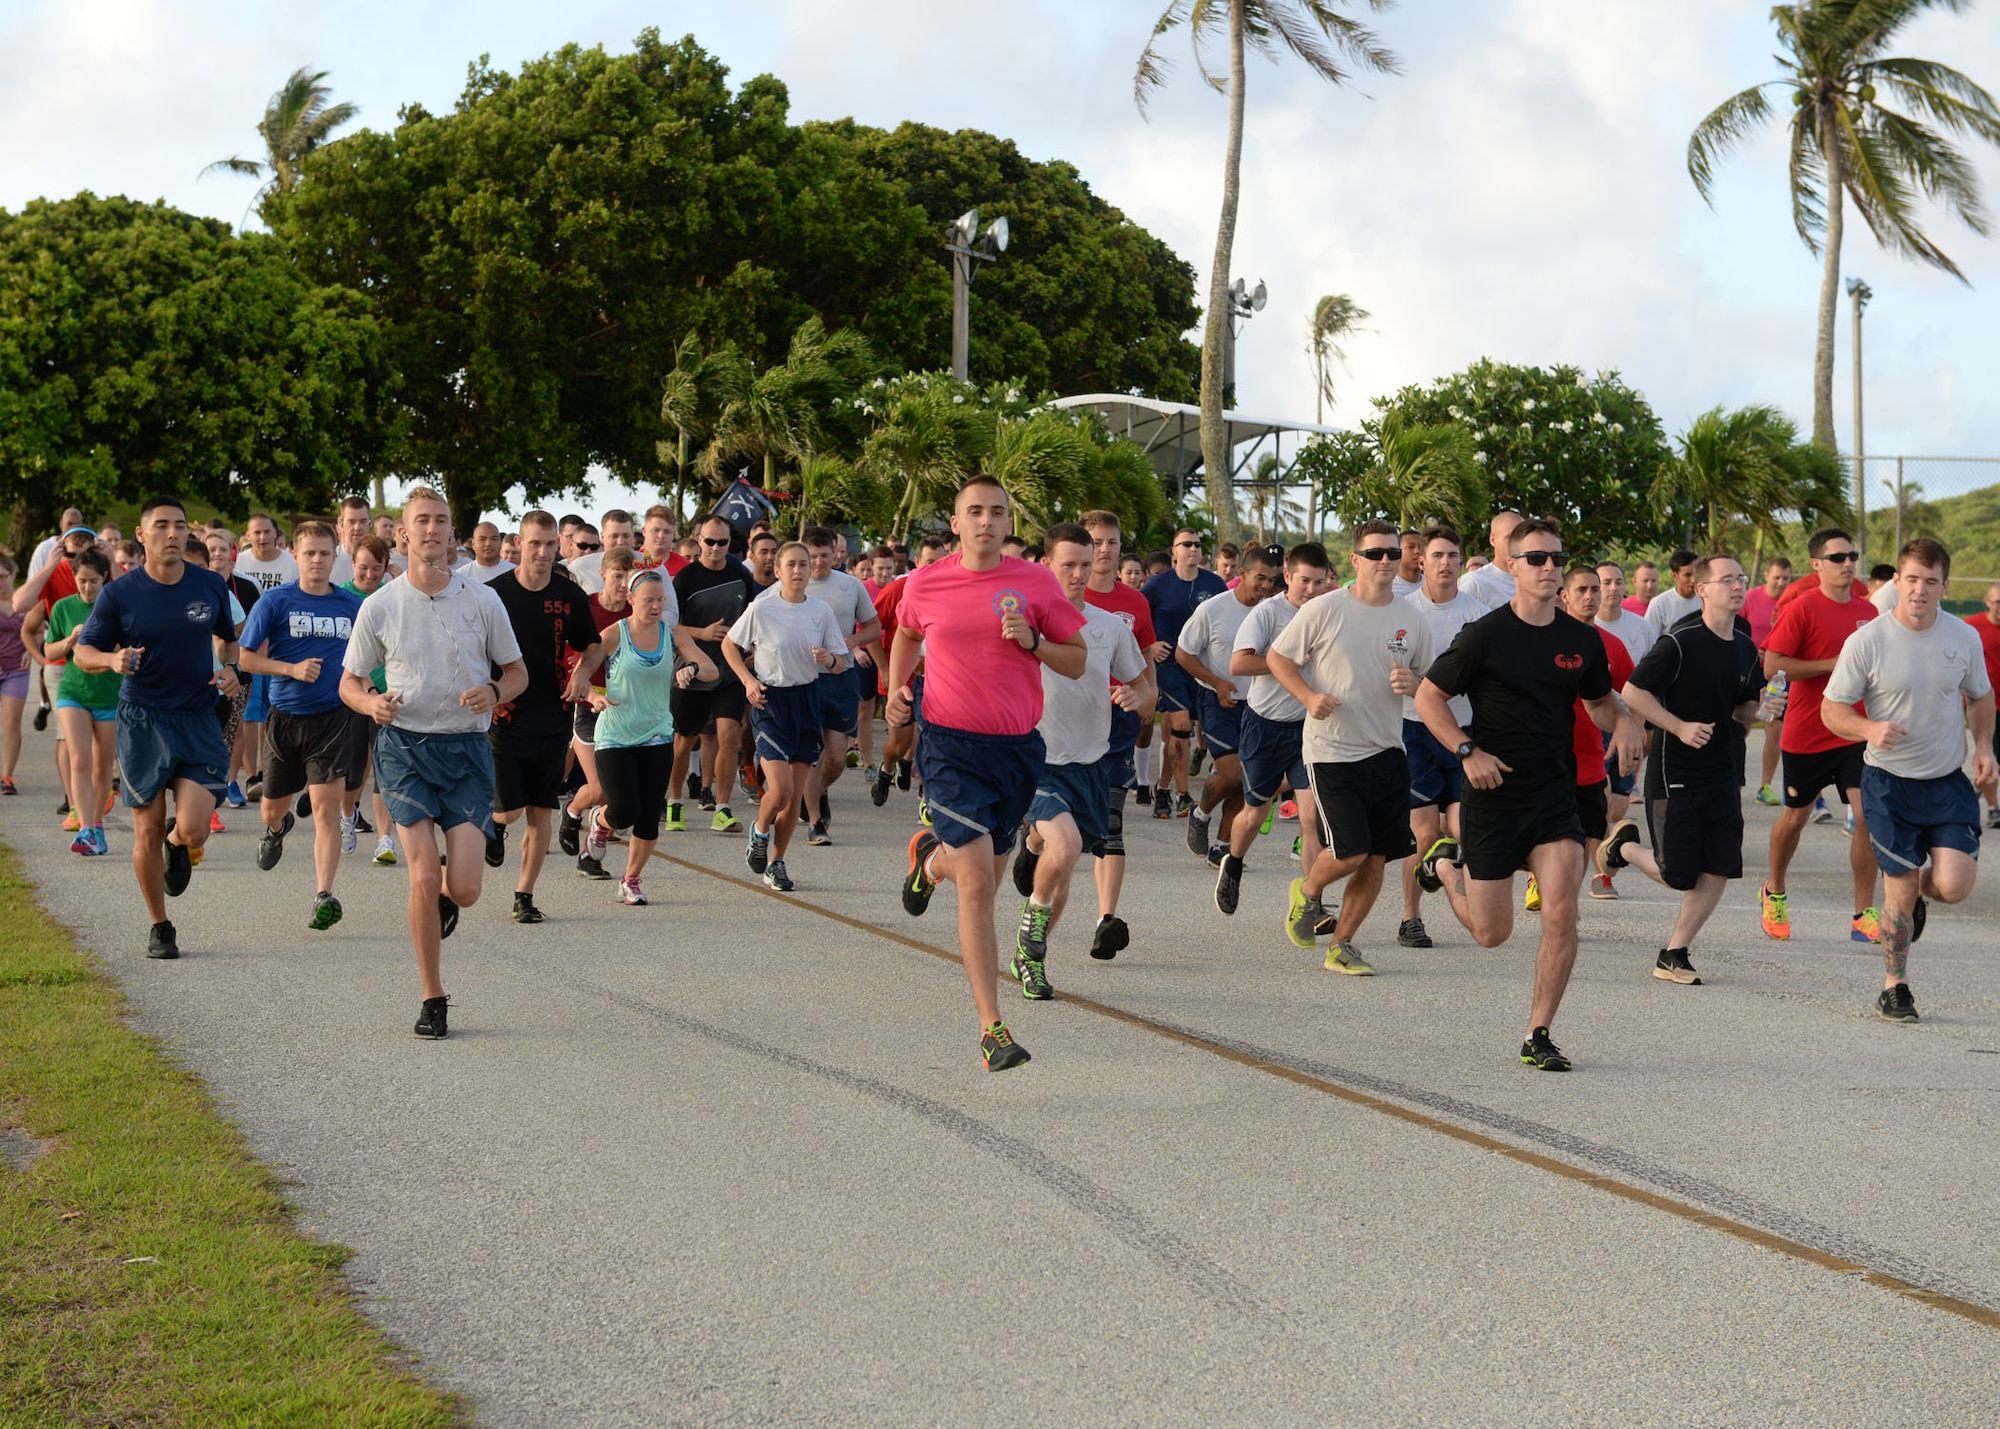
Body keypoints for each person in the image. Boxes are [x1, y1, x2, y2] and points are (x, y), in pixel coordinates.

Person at [1413, 518, 1644, 1072]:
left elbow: (1599, 704)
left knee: (1562, 913)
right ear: (1512, 566)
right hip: (1492, 794)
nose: (1549, 568)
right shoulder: (1484, 635)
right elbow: (1428, 698)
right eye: (1537, 559)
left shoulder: (1580, 639)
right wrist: (1468, 753)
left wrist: (1628, 721)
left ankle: (1538, 1033)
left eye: (1557, 560)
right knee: (1493, 934)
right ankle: (1446, 868)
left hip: (1553, 795)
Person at [888, 476, 1088, 1072]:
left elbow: (1076, 662)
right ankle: (991, 1028)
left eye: (996, 513)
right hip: (950, 746)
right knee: (978, 886)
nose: (985, 521)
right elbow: (904, 632)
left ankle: (930, 861)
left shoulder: (1035, 583)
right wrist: (896, 689)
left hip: (1017, 751)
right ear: (956, 523)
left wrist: (1033, 643)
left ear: (1007, 525)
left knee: (984, 877)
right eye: (973, 512)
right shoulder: (925, 582)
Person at [339, 488, 527, 1040]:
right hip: (404, 749)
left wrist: (494, 692)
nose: (431, 530)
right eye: (420, 521)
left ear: (452, 532)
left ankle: (446, 897)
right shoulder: (381, 605)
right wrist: (370, 702)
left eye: (441, 521)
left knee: (464, 888)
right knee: (422, 873)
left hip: (466, 750)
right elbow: (349, 681)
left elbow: (517, 673)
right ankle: (433, 996)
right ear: (404, 532)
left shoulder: (482, 599)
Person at [1817, 539, 1995, 1020]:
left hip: (1945, 782)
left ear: (1945, 586)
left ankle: (1916, 896)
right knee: (1898, 883)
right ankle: (1895, 986)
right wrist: (1868, 727)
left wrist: (1983, 746)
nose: (1919, 590)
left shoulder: (1962, 637)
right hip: (1889, 784)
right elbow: (1832, 709)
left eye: (1930, 582)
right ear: (1897, 580)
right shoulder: (1867, 641)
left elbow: (1980, 696)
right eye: (1911, 579)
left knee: (1955, 886)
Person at [73, 497, 242, 960]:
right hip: (143, 721)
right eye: (162, 526)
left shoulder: (210, 585)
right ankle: (160, 925)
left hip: (198, 717)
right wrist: (112, 658)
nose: (173, 533)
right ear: (142, 536)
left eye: (181, 526)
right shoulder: (119, 593)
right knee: (145, 828)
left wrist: (231, 670)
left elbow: (230, 642)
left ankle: (178, 843)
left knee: (195, 830)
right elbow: (83, 653)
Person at [1268, 521, 1433, 972]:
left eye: (1393, 554)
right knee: (1351, 850)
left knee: (1376, 858)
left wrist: (1414, 683)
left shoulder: (1411, 618)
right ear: (1356, 560)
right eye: (1376, 553)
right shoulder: (1324, 608)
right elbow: (1277, 658)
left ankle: (1343, 944)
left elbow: (1428, 683)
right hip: (1332, 751)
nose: (1386, 561)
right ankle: (1306, 891)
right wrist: (1307, 697)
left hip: (1387, 751)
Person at [1596, 554, 1766, 985]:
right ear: (1702, 589)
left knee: (1720, 865)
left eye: (1740, 578)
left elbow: (1744, 707)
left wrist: (1763, 707)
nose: (1736, 585)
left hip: (1725, 770)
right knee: (1677, 874)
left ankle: (1675, 952)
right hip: (1677, 772)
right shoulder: (1680, 640)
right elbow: (1634, 692)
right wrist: (1678, 726)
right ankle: (1624, 848)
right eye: (1725, 579)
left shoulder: (1746, 647)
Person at [1006, 525, 1151, 997]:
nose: (1078, 573)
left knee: (1062, 862)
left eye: (1085, 565)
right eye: (1067, 564)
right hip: (1035, 757)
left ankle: (1029, 955)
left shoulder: (1109, 625)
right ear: (1045, 564)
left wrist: (1136, 693)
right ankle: (1033, 914)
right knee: (1066, 848)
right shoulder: (1023, 621)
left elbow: (1148, 686)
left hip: (1091, 762)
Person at [237, 522, 368, 930]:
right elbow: (245, 659)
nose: (316, 560)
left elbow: (364, 660)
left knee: (327, 810)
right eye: (309, 553)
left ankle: (323, 894)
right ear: (295, 555)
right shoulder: (276, 601)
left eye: (324, 553)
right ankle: (277, 828)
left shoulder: (351, 606)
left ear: (335, 557)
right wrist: (289, 668)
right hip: (284, 719)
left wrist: (370, 689)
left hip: (333, 719)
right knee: (271, 807)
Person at [1758, 528, 1882, 944]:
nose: (1848, 563)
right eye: (1837, 558)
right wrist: (1835, 664)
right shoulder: (1803, 608)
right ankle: (1774, 890)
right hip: (1809, 732)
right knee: (1796, 818)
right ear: (1817, 565)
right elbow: (1773, 664)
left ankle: (1864, 914)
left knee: (1867, 817)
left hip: (1855, 730)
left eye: (1852, 555)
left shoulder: (1869, 611)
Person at [484, 511, 602, 923]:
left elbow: (593, 645)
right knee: (509, 811)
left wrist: (584, 673)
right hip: (505, 716)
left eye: (550, 544)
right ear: (518, 543)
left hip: (554, 716)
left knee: (539, 812)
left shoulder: (569, 595)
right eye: (535, 543)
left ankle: (524, 895)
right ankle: (493, 825)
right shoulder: (493, 593)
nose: (543, 552)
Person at [1213, 543, 1334, 916]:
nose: (1311, 590)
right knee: (1254, 813)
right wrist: (1286, 662)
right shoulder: (1268, 613)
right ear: (1287, 576)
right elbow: (1238, 664)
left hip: (1308, 729)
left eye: (1318, 582)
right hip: (1264, 725)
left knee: (1310, 816)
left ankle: (1311, 902)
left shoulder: (1331, 612)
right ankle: (1232, 862)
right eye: (1303, 581)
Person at [724, 543, 850, 892]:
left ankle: (776, 863)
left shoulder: (821, 611)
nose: (798, 571)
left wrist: (830, 660)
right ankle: (760, 830)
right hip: (771, 701)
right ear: (777, 570)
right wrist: (749, 681)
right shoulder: (762, 608)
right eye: (790, 565)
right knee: (779, 790)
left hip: (807, 699)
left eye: (803, 565)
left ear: (811, 571)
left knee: (794, 798)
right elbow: (729, 646)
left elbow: (842, 661)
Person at [1071, 510, 1164, 957]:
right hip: (1064, 729)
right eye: (1096, 542)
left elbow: (1146, 668)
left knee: (1110, 821)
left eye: (1111, 541)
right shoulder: (1060, 594)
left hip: (1116, 726)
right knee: (1062, 825)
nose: (1104, 550)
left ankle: (1106, 918)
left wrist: (1145, 701)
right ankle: (1032, 847)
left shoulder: (1135, 602)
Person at [575, 570, 699, 905]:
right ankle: (601, 822)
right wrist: (593, 698)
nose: (656, 606)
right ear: (631, 600)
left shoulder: (671, 634)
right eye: (649, 600)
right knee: (624, 811)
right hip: (615, 733)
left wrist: (691, 668)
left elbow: (710, 667)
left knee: (647, 815)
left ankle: (631, 880)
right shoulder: (614, 634)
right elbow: (580, 674)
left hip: (658, 733)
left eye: (661, 600)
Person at [755, 527, 879, 846]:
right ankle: (814, 821)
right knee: (810, 756)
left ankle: (815, 793)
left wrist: (851, 640)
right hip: (800, 682)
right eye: (812, 557)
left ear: (835, 554)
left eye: (825, 555)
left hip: (840, 676)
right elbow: (751, 635)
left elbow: (874, 626)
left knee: (836, 758)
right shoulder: (775, 593)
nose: (818, 562)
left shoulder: (850, 586)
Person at [1397, 528, 1489, 947]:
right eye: (1437, 555)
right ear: (1422, 561)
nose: (1446, 563)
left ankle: (1473, 908)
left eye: (1453, 555)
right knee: (1423, 833)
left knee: (1462, 826)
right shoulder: (1403, 611)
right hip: (1414, 729)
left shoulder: (1479, 614)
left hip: (1463, 731)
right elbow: (1391, 672)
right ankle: (1410, 917)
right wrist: (1412, 683)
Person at [1177, 543, 1280, 867]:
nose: (1265, 586)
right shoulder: (1213, 609)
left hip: (1260, 704)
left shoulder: (1276, 611)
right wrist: (1217, 681)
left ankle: (1222, 845)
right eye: (1260, 578)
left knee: (1247, 777)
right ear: (1243, 574)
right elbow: (1184, 654)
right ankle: (1201, 812)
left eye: (1272, 580)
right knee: (1231, 770)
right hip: (1216, 698)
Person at [671, 514, 757, 833]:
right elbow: (670, 624)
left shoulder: (741, 575)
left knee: (729, 736)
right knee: (684, 741)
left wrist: (751, 650)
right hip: (691, 669)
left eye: (723, 542)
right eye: (709, 542)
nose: (716, 548)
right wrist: (702, 634)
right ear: (698, 541)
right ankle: (675, 802)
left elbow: (753, 617)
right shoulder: (685, 578)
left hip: (729, 671)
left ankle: (722, 808)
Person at [33, 550, 120, 847]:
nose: (87, 587)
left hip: (108, 693)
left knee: (102, 766)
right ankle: (85, 827)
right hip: (73, 691)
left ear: (105, 578)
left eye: (93, 581)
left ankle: (97, 825)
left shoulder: (115, 607)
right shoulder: (62, 608)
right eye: (81, 581)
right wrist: (70, 640)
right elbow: (49, 652)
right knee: (79, 757)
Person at [1142, 529, 1229, 819]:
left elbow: (1228, 619)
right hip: (1168, 665)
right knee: (1180, 726)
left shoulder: (1215, 584)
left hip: (1200, 666)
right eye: (1186, 544)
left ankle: (1163, 789)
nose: (1193, 548)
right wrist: (1150, 644)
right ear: (1174, 551)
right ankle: (1182, 795)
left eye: (1197, 544)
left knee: (1176, 734)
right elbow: (1139, 619)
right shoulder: (1157, 585)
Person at [564, 548, 636, 876]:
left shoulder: (639, 613)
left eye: (628, 577)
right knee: (599, 790)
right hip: (588, 708)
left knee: (619, 793)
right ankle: (573, 810)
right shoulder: (585, 609)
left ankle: (589, 856)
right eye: (617, 575)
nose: (623, 584)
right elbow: (571, 663)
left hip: (625, 710)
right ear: (603, 573)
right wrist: (591, 694)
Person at [339, 535, 398, 862]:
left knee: (385, 767)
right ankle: (347, 816)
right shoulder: (342, 598)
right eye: (363, 568)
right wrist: (366, 687)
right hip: (354, 695)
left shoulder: (393, 597)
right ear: (353, 564)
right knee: (354, 769)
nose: (369, 575)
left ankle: (384, 840)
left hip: (388, 695)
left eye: (376, 569)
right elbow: (344, 655)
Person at [1742, 557, 1795, 805]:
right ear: (1766, 575)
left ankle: (1765, 786)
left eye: (1786, 578)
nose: (1781, 583)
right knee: (1742, 727)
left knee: (1775, 727)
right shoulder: (1750, 598)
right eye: (1777, 578)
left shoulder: (1795, 602)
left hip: (1780, 676)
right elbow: (1737, 628)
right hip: (1752, 670)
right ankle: (1733, 776)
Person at [1974, 583, 2000, 827]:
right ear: (1987, 601)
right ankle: (1993, 809)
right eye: (1997, 602)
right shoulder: (1971, 626)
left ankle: (1976, 790)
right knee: (1990, 756)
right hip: (1986, 704)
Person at [1458, 511, 1521, 609]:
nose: (1516, 543)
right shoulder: (1475, 583)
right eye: (1509, 537)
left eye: (1521, 537)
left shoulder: (1537, 580)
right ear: (1493, 540)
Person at [0, 557, 25, 796]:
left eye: (2, 577)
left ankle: (7, 776)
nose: (0, 583)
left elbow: (38, 630)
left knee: (10, 722)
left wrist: (31, 648)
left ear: (12, 575)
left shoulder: (23, 600)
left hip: (17, 669)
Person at [567, 509, 635, 595]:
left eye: (626, 536)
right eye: (614, 536)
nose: (620, 542)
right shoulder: (579, 568)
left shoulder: (650, 566)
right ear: (602, 537)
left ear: (633, 536)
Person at [1392, 530, 1424, 598]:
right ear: (1398, 551)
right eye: (1411, 547)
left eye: (1421, 547)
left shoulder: (1431, 584)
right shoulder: (1388, 588)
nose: (1417, 551)